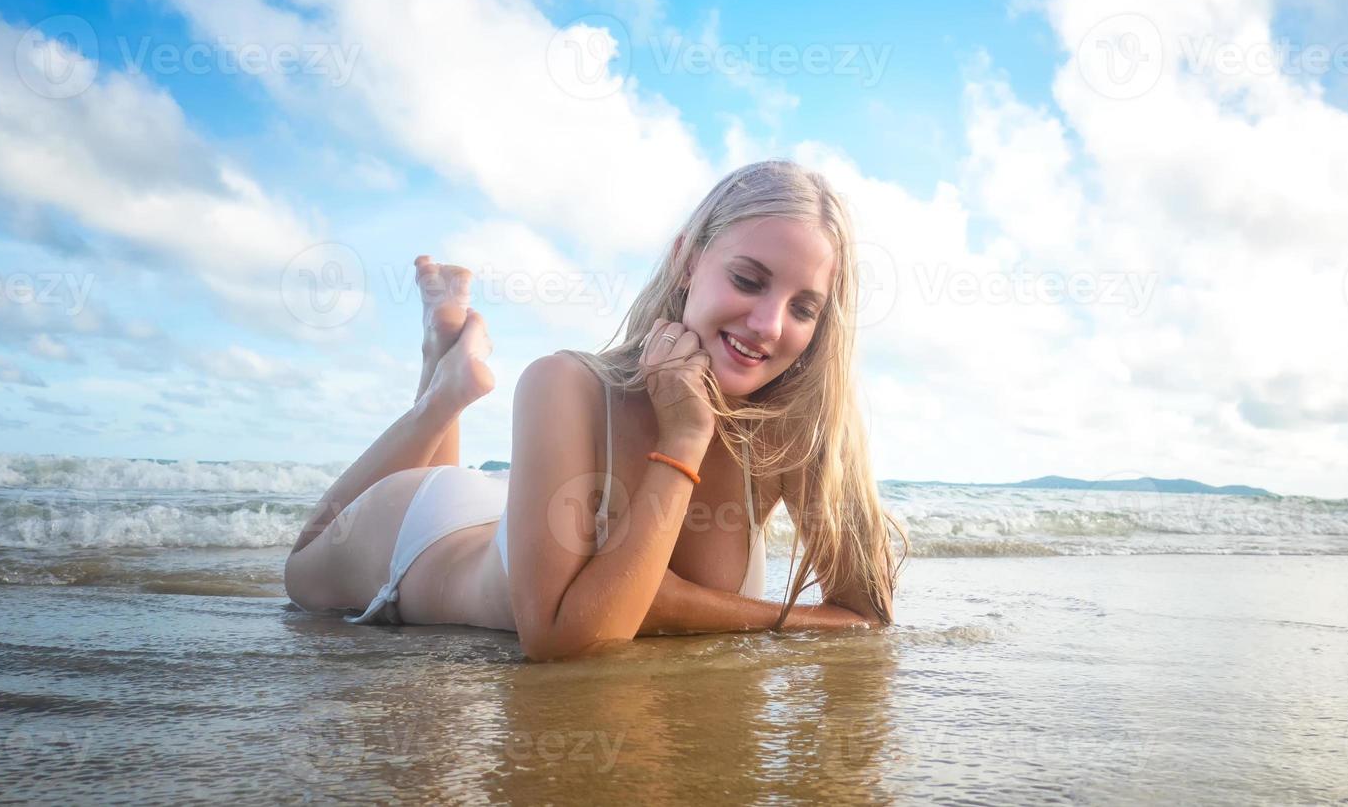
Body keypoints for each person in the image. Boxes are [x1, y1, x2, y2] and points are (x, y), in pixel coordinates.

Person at [284, 160, 905, 661]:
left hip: (523, 516)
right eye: (748, 280)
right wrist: (685, 438)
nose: (769, 325)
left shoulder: (793, 430)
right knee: (300, 573)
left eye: (804, 308)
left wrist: (677, 603)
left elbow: (866, 617)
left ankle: (447, 356)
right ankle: (445, 392)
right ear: (690, 261)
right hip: (419, 536)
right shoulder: (565, 383)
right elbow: (561, 636)